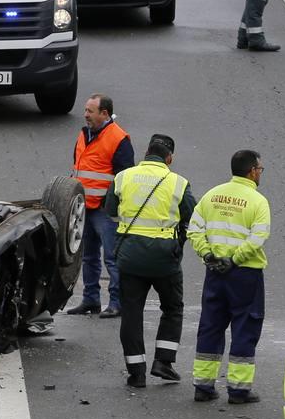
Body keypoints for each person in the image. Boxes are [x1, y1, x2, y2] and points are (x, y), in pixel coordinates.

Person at [106, 134, 194, 387]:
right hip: (165, 257)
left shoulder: (124, 177)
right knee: (172, 308)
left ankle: (137, 372)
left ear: (145, 154)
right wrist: (178, 243)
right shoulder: (178, 182)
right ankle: (163, 362)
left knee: (132, 314)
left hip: (130, 256)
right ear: (169, 159)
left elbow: (110, 210)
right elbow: (191, 216)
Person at [186, 150, 271, 403]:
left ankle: (203, 386)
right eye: (260, 169)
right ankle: (238, 389)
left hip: (214, 273)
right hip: (245, 274)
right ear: (252, 171)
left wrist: (209, 256)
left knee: (210, 325)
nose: (260, 173)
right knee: (245, 327)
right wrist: (233, 260)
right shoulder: (258, 201)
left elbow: (194, 230)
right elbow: (257, 238)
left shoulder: (212, 195)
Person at [67, 94, 134, 317]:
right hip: (83, 207)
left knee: (112, 258)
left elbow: (125, 177)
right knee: (88, 256)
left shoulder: (119, 138)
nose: (85, 115)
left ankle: (117, 303)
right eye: (85, 110)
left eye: (90, 111)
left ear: (104, 113)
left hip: (105, 211)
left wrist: (111, 205)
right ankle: (90, 300)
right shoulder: (83, 134)